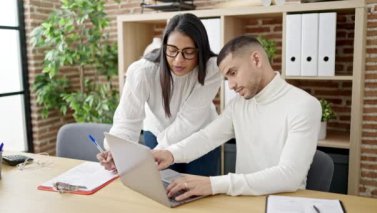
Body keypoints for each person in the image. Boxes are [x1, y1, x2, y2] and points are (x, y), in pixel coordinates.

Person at [153, 35, 322, 200]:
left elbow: (289, 175)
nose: (231, 85)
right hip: (243, 200)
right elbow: (207, 137)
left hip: (283, 204)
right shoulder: (238, 105)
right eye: (227, 78)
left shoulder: (304, 105)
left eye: (233, 73)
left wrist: (213, 184)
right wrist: (170, 154)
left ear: (256, 60)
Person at [97, 13, 222, 176]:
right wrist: (117, 151)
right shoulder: (142, 72)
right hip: (157, 133)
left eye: (188, 52)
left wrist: (148, 156)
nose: (178, 60)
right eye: (172, 50)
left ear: (201, 50)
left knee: (198, 195)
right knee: (161, 192)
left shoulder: (212, 68)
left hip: (200, 137)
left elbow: (189, 120)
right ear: (164, 47)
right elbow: (127, 121)